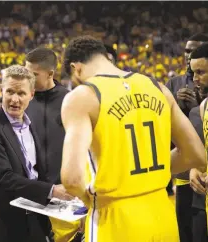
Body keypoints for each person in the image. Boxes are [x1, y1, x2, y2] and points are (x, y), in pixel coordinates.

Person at [60, 36, 206, 242]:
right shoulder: (158, 88)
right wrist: (147, 174)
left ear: (76, 68)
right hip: (162, 214)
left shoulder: (83, 96)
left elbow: (71, 179)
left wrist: (90, 201)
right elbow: (196, 154)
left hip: (115, 219)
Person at [0, 65, 74, 242]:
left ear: (31, 95)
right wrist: (52, 191)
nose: (14, 99)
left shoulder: (31, 124)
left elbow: (35, 172)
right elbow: (4, 177)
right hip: (2, 221)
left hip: (33, 219)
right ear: (2, 92)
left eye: (21, 93)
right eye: (10, 92)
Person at [25, 47, 80, 242]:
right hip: (32, 192)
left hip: (64, 191)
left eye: (33, 75)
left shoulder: (70, 100)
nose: (28, 79)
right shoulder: (23, 101)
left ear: (50, 73)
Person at [165, 33, 208, 242]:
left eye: (194, 50)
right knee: (187, 229)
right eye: (187, 51)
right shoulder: (173, 83)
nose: (189, 56)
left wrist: (196, 107)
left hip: (198, 167)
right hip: (187, 171)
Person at [192, 42, 208, 242]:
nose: (195, 79)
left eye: (201, 72)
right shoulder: (203, 106)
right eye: (193, 72)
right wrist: (194, 168)